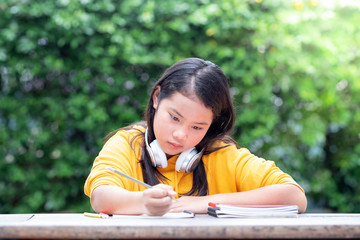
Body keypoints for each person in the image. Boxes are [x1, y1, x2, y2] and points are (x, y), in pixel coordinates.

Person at [84, 57, 307, 216]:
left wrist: (200, 203)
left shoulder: (221, 154)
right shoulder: (127, 144)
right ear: (156, 98)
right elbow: (101, 197)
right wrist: (144, 202)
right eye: (174, 117)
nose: (180, 135)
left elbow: (294, 196)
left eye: (197, 128)